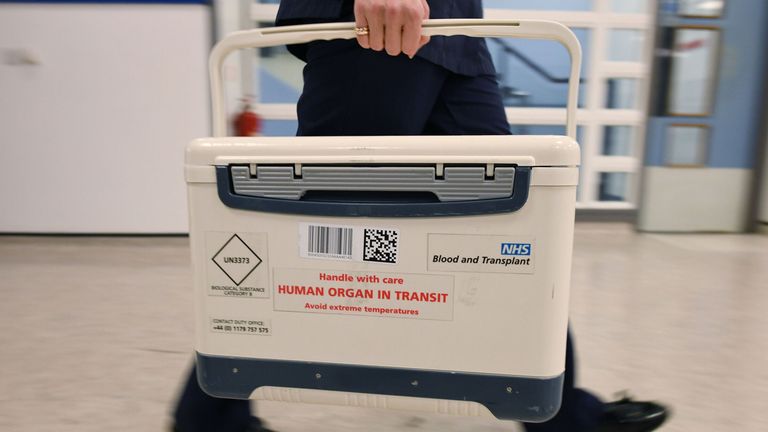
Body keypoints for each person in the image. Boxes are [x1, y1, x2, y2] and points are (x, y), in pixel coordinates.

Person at [172, 1, 669, 431]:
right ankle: (209, 416)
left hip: (454, 32)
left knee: (518, 225)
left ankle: (563, 415)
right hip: (380, 24)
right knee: (314, 227)